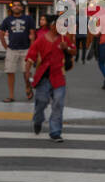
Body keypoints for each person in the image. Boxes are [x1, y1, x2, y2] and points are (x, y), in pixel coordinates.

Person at [24, 13, 74, 142]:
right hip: (43, 78)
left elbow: (74, 50)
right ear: (52, 26)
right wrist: (27, 73)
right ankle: (38, 120)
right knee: (41, 102)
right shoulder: (41, 40)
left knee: (58, 103)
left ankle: (55, 132)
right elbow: (30, 57)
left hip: (59, 77)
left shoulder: (63, 39)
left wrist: (67, 48)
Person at [0, 1, 35, 102]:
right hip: (12, 49)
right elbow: (1, 33)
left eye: (18, 5)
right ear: (11, 8)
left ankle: (28, 87)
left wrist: (32, 49)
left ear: (22, 8)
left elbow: (32, 34)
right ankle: (11, 96)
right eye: (14, 5)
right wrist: (6, 47)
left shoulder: (28, 19)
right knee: (10, 72)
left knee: (27, 73)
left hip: (26, 49)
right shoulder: (7, 20)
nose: (16, 7)